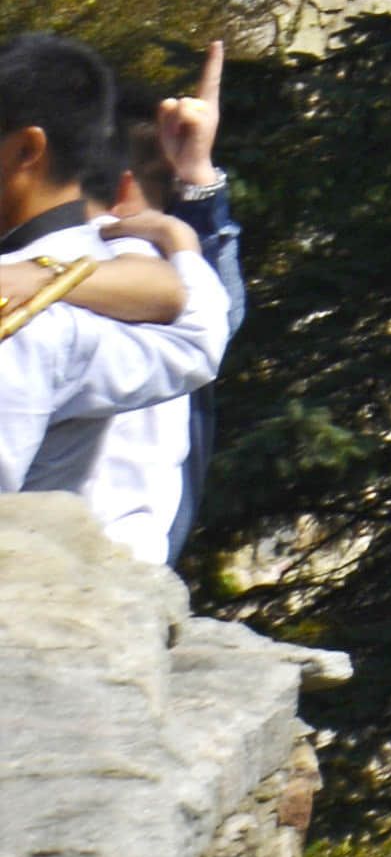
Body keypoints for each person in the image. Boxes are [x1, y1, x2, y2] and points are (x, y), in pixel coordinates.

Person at [0, 34, 228, 561]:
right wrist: (184, 240)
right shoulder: (131, 269)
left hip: (46, 598)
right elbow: (199, 338)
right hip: (110, 597)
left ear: (28, 149)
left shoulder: (41, 304)